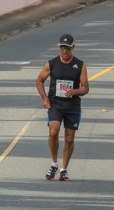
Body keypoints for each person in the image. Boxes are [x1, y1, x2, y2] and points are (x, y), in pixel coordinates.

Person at [36, 34, 89, 181]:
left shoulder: (80, 65)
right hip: (55, 104)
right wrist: (45, 98)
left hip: (72, 106)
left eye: (67, 48)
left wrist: (75, 91)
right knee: (53, 132)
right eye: (62, 48)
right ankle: (54, 164)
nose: (64, 51)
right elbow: (39, 81)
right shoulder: (51, 64)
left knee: (69, 138)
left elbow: (85, 88)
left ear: (73, 48)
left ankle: (64, 169)